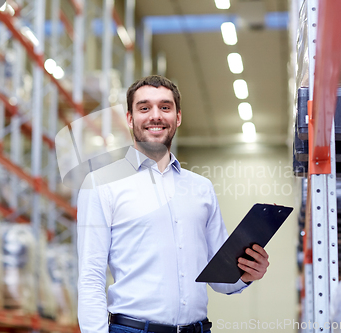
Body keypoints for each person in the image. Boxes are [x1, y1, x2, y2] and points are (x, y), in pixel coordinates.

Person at [77, 75, 270, 333]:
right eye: (144, 108)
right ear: (129, 118)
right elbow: (91, 277)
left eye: (165, 107)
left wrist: (247, 273)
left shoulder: (201, 189)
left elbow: (221, 279)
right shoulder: (101, 184)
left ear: (177, 117)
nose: (155, 116)